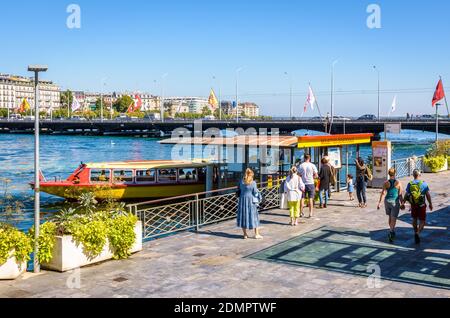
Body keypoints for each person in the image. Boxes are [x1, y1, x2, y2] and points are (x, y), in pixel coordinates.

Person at [404, 169, 433, 244]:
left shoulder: (410, 184)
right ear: (419, 175)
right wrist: (430, 204)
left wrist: (403, 202)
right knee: (422, 220)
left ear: (413, 175)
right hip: (422, 205)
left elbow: (406, 194)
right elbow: (428, 195)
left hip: (413, 204)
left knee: (414, 219)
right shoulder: (424, 184)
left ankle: (415, 231)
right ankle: (418, 232)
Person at [377, 168, 404, 243]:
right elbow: (400, 195)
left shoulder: (386, 183)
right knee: (394, 218)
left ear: (388, 174)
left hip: (387, 201)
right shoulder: (398, 183)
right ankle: (391, 232)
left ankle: (391, 230)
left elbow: (383, 193)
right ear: (395, 174)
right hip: (394, 202)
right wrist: (402, 203)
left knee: (390, 217)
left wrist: (379, 203)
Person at [237, 168, 263, 240]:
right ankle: (256, 234)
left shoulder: (241, 181)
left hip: (242, 200)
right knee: (254, 216)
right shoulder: (253, 183)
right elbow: (255, 192)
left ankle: (245, 234)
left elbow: (238, 189)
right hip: (250, 201)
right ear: (251, 175)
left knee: (243, 216)